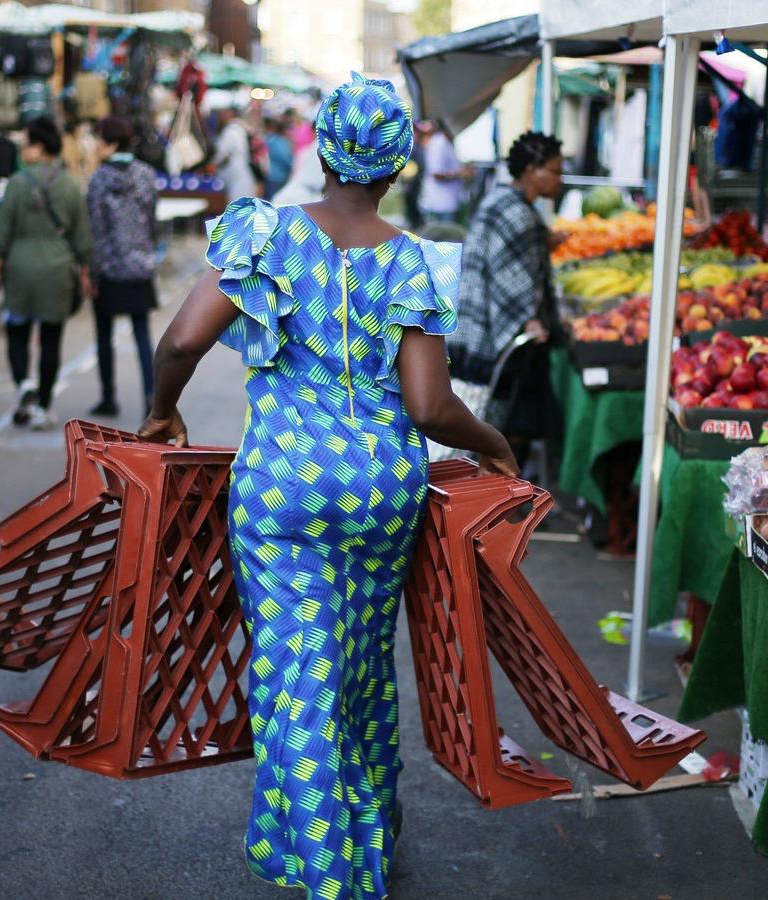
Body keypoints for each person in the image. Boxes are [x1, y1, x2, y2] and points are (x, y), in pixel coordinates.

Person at [137, 72, 517, 900]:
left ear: (322, 149)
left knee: (295, 675)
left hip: (282, 489)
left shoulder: (266, 234)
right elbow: (429, 404)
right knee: (357, 665)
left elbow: (179, 342)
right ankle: (362, 836)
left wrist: (163, 411)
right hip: (381, 491)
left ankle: (332, 876)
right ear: (397, 163)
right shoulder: (411, 260)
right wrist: (495, 444)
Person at [449, 131, 567, 468]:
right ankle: (504, 496)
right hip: (493, 331)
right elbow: (511, 280)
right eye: (555, 171)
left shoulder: (500, 201)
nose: (560, 180)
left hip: (470, 320)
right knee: (509, 422)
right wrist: (529, 321)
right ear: (532, 170)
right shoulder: (519, 214)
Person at [0, 117, 91, 430]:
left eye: (27, 144)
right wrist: (85, 273)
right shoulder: (69, 184)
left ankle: (24, 383)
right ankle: (44, 405)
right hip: (57, 271)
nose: (23, 150)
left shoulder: (17, 183)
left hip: (20, 270)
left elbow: (2, 232)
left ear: (38, 147)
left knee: (17, 333)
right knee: (51, 339)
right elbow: (82, 237)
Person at [84, 116, 159, 418]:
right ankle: (151, 399)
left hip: (110, 268)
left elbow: (96, 231)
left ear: (112, 144)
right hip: (140, 265)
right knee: (142, 334)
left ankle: (108, 397)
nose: (97, 145)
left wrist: (92, 270)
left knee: (104, 334)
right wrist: (149, 251)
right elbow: (153, 220)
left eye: (101, 140)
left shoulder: (99, 178)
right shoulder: (146, 175)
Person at [417, 124, 468, 224]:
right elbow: (437, 174)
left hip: (443, 203)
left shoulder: (442, 142)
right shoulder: (439, 143)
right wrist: (461, 173)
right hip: (440, 205)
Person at [211, 103, 258, 202]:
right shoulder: (239, 128)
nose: (220, 116)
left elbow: (221, 152)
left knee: (237, 207)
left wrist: (212, 163)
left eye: (223, 112)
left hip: (238, 176)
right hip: (241, 175)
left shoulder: (232, 130)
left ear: (230, 113)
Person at [262, 117, 295, 200]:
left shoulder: (271, 139)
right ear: (284, 130)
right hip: (277, 178)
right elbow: (285, 158)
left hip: (272, 176)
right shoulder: (280, 142)